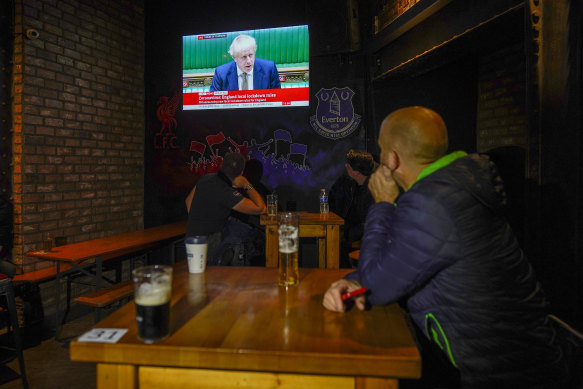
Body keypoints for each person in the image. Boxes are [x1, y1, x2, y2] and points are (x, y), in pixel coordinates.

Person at [322, 106, 569, 388]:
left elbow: (376, 285)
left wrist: (381, 204)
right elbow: (393, 261)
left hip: (502, 374)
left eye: (380, 150)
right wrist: (353, 281)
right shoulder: (450, 188)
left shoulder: (433, 202)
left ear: (391, 158)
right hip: (515, 362)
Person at [185, 152, 266, 264]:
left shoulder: (205, 178)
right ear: (241, 173)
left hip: (191, 237)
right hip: (209, 242)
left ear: (222, 166)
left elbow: (188, 201)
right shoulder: (226, 192)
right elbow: (261, 208)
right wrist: (247, 184)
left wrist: (199, 222)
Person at [329, 149, 376, 266]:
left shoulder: (375, 191)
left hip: (367, 236)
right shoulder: (347, 181)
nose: (346, 166)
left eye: (348, 166)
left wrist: (346, 235)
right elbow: (333, 198)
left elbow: (370, 223)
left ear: (356, 172)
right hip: (352, 229)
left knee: (337, 244)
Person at [209, 34, 281, 92]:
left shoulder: (269, 69)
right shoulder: (221, 73)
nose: (249, 61)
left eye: (251, 55)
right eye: (244, 57)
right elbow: (213, 103)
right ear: (234, 58)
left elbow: (277, 99)